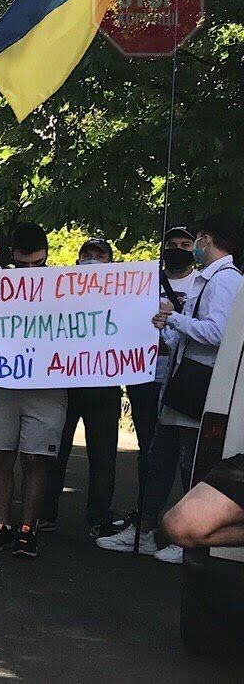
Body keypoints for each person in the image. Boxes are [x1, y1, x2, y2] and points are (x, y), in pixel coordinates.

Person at [102, 216, 242, 561]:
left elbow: (219, 334)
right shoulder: (209, 280)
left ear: (206, 238)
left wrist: (175, 319)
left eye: (195, 240)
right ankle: (146, 531)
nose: (193, 247)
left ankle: (187, 538)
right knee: (159, 459)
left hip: (199, 387)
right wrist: (168, 329)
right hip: (181, 386)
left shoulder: (224, 281)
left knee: (188, 461)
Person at [0, 222, 67, 559]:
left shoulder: (66, 288)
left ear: (46, 257)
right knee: (0, 454)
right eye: (22, 265)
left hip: (46, 387)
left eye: (36, 264)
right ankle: (2, 525)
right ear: (12, 258)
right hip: (4, 383)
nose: (29, 272)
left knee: (38, 459)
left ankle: (27, 529)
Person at [99, 227, 197, 541]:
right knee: (149, 449)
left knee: (183, 453)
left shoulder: (203, 284)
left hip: (183, 379)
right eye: (173, 244)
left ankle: (184, 520)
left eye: (186, 244)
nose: (179, 249)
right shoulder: (145, 280)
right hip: (144, 375)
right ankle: (145, 515)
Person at [42, 238, 124, 536]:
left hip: (104, 387)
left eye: (99, 255)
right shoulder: (61, 294)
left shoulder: (124, 297)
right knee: (55, 451)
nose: (92, 259)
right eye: (86, 254)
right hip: (65, 384)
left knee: (103, 457)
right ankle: (45, 512)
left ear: (110, 263)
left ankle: (99, 516)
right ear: (77, 262)